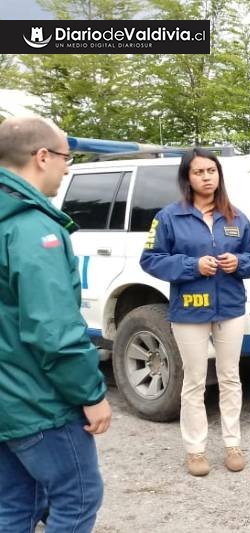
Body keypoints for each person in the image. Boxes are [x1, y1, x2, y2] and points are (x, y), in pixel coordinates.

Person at [0, 116, 112, 532]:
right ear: (42, 156)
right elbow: (52, 330)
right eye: (66, 158)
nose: (67, 168)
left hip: (7, 397)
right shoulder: (33, 227)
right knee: (78, 497)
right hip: (37, 402)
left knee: (16, 503)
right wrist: (91, 392)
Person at [140, 147, 250, 477]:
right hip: (189, 312)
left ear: (219, 175)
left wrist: (240, 263)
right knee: (194, 380)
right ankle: (195, 450)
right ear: (187, 178)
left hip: (231, 309)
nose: (206, 177)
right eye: (199, 172)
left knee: (230, 377)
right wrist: (192, 265)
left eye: (211, 171)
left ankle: (232, 443)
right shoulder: (168, 217)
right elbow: (150, 259)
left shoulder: (236, 217)